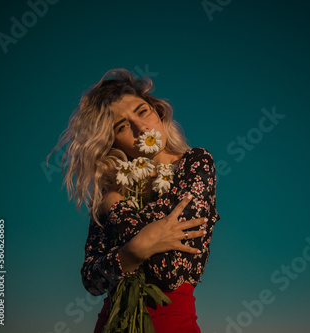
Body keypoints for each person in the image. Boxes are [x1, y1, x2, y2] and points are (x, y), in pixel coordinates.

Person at [52, 68, 220, 332]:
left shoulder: (195, 164)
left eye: (142, 112)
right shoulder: (113, 191)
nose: (141, 127)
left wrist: (117, 213)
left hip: (172, 325)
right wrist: (134, 250)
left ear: (158, 112)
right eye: (122, 126)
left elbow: (170, 269)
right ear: (112, 143)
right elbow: (91, 279)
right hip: (112, 325)